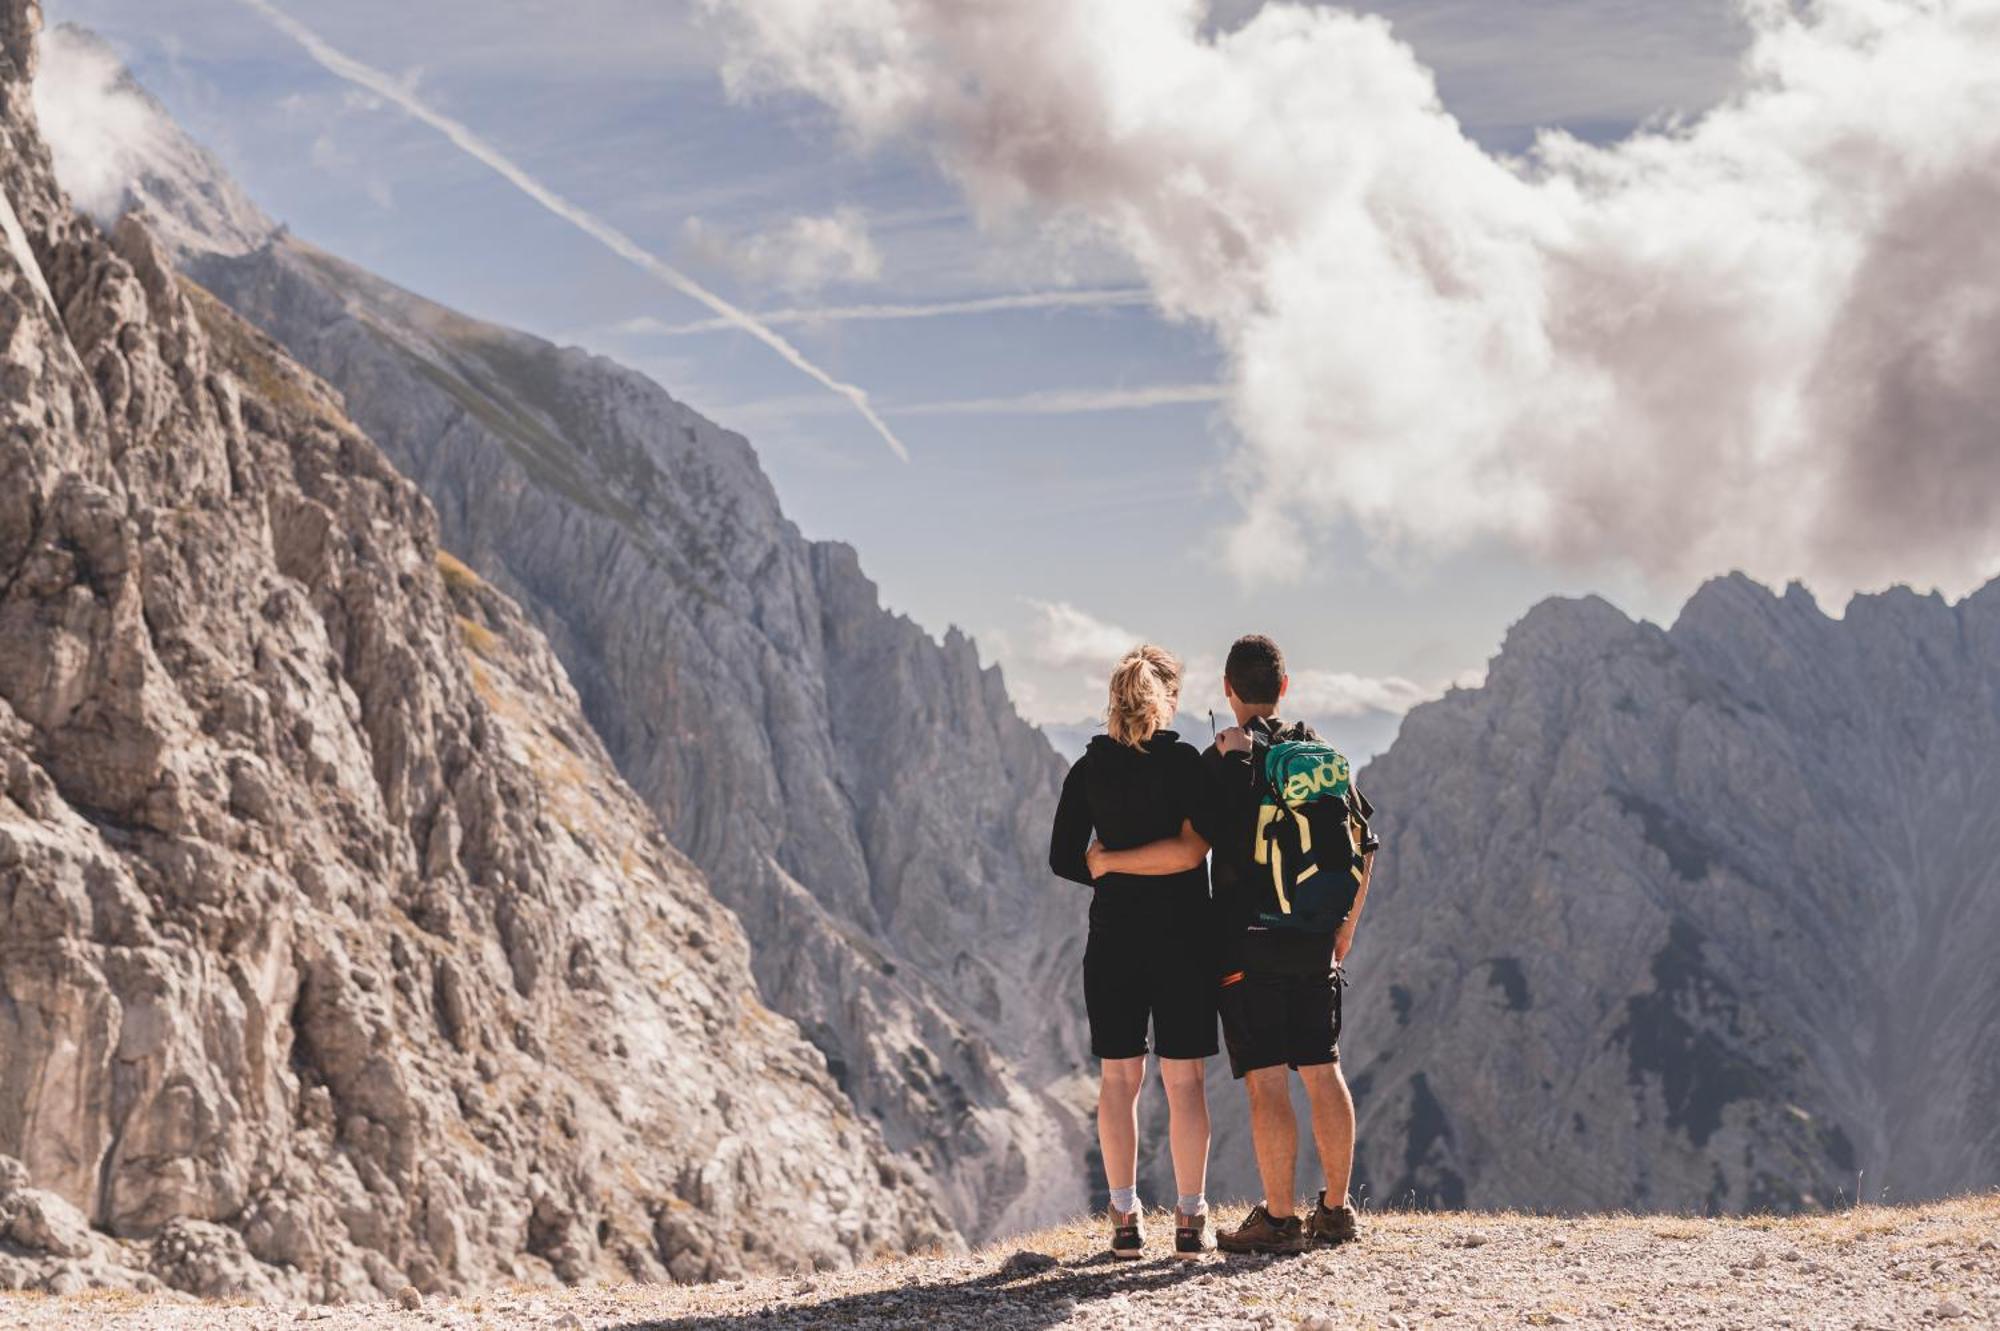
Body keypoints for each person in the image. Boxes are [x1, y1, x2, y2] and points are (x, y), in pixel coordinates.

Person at [1092, 634, 1377, 1254]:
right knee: (1324, 1070)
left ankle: (1277, 1220)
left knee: (1268, 1081)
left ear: (1227, 690)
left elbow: (1195, 847)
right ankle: (1335, 1209)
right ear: (1284, 687)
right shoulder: (1319, 756)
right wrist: (1343, 929)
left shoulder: (1220, 762)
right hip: (1314, 940)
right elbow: (1364, 842)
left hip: (1247, 944)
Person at [1048, 644, 1219, 1259]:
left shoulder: (1088, 768)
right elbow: (1191, 852)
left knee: (1119, 1079)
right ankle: (1192, 1220)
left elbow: (1066, 858)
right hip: (1183, 941)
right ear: (1167, 697)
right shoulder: (1186, 765)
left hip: (1114, 940)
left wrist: (1112, 861)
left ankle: (1123, 1218)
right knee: (1186, 1082)